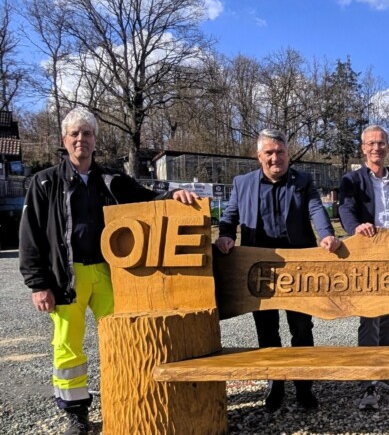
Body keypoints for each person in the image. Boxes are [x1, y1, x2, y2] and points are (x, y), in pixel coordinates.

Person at [18, 107, 197, 435]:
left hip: (105, 273)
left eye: (87, 134)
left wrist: (175, 194)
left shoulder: (110, 180)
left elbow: (149, 200)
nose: (81, 139)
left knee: (120, 337)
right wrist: (37, 283)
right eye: (75, 134)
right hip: (64, 278)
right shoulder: (44, 182)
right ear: (64, 140)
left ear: (95, 141)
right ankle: (75, 412)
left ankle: (125, 398)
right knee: (68, 345)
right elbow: (29, 236)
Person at [215, 129, 340, 413]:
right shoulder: (242, 183)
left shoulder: (303, 181)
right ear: (259, 156)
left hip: (298, 269)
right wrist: (225, 235)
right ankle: (275, 385)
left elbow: (316, 210)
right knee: (267, 331)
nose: (275, 158)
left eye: (280, 152)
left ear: (288, 154)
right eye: (269, 153)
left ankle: (304, 386)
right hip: (258, 268)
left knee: (302, 329)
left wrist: (327, 234)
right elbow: (229, 215)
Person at [338, 124, 389, 410]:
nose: (377, 148)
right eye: (371, 143)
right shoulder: (352, 180)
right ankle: (367, 381)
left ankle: (384, 370)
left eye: (381, 143)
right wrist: (356, 228)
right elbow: (345, 209)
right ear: (363, 148)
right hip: (368, 258)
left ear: (387, 147)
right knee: (370, 318)